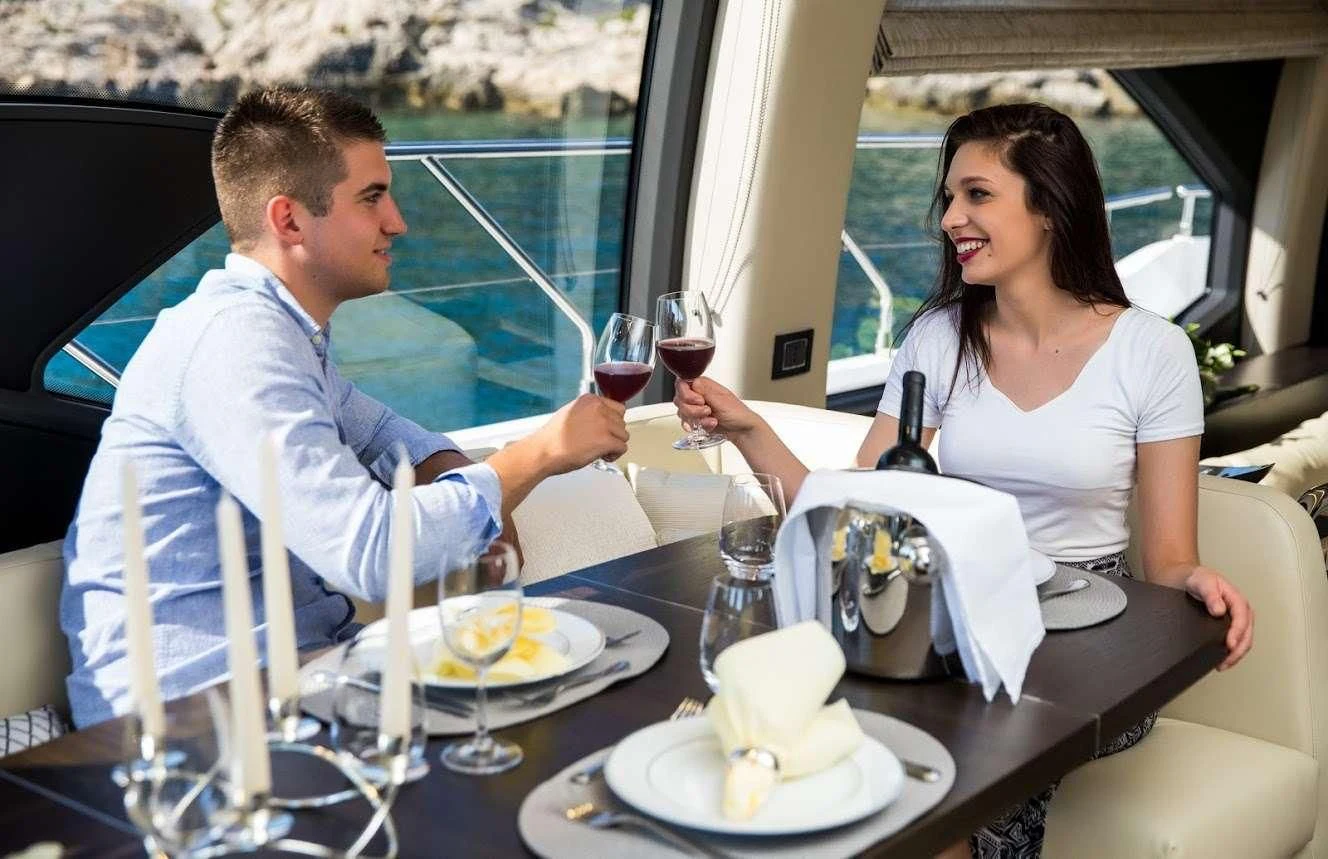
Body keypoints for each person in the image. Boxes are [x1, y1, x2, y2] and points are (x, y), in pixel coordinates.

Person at [675, 102, 1253, 858]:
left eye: (977, 194)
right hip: (956, 614)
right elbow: (855, 507)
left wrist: (1198, 581)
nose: (950, 217)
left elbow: (1169, 560)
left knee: (941, 786)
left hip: (1092, 638)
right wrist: (747, 428)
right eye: (949, 196)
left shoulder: (1153, 350)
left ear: (1050, 207)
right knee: (825, 734)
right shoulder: (938, 338)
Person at [61, 87, 629, 729]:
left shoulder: (281, 332)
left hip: (300, 671)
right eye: (371, 197)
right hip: (196, 717)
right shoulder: (235, 344)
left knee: (588, 667)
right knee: (569, 703)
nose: (397, 222)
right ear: (289, 220)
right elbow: (369, 554)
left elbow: (380, 430)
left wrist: (453, 471)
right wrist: (534, 458)